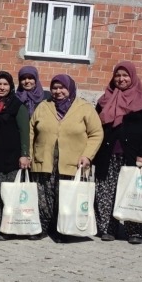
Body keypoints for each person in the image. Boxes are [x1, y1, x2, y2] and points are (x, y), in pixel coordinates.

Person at [29, 74, 103, 243]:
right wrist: (29, 155)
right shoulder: (43, 106)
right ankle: (43, 227)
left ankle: (64, 229)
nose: (58, 91)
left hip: (73, 162)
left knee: (66, 197)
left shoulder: (84, 107)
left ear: (69, 89)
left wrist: (87, 155)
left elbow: (96, 133)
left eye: (62, 87)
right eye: (54, 88)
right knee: (44, 197)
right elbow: (31, 131)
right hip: (46, 160)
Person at [93, 61, 142, 244]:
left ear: (133, 76)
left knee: (134, 193)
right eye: (117, 76)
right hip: (107, 154)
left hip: (134, 156)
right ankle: (108, 228)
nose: (121, 79)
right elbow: (95, 127)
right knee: (106, 191)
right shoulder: (104, 100)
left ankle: (135, 231)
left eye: (125, 75)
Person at [0, 71, 30, 241]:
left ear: (11, 87)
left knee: (6, 191)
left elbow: (25, 132)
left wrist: (25, 154)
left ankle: (6, 227)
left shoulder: (17, 106)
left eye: (5, 84)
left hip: (10, 155)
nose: (1, 87)